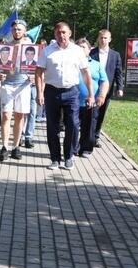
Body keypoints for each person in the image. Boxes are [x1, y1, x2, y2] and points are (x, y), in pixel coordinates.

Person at [36, 21, 95, 171]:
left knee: (73, 124)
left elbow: (86, 73)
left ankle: (69, 156)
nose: (61, 35)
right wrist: (39, 92)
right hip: (52, 91)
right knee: (52, 126)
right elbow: (39, 72)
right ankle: (55, 158)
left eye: (64, 32)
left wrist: (91, 94)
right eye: (58, 33)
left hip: (71, 92)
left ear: (69, 34)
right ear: (55, 35)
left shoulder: (77, 51)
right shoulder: (47, 51)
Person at [0, 20, 33, 162]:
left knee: (19, 116)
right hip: (8, 84)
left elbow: (36, 66)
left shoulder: (30, 46)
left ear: (24, 30)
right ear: (11, 30)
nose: (17, 31)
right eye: (15, 29)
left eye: (19, 29)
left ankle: (15, 147)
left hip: (23, 84)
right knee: (5, 116)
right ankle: (4, 147)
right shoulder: (5, 46)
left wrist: (33, 75)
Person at [89, 29, 123, 146]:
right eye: (101, 38)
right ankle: (89, 136)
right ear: (98, 39)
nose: (103, 40)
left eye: (105, 38)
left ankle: (96, 136)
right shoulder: (91, 53)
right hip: (93, 88)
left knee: (101, 113)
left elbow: (118, 73)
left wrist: (120, 88)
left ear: (110, 39)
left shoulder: (115, 55)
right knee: (92, 112)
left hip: (107, 90)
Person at [76, 38, 109, 157]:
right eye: (78, 47)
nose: (81, 50)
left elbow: (104, 82)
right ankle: (73, 147)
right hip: (73, 101)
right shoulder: (71, 63)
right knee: (73, 126)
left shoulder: (97, 65)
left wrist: (101, 96)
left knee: (89, 126)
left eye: (83, 47)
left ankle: (86, 149)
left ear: (89, 50)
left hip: (91, 101)